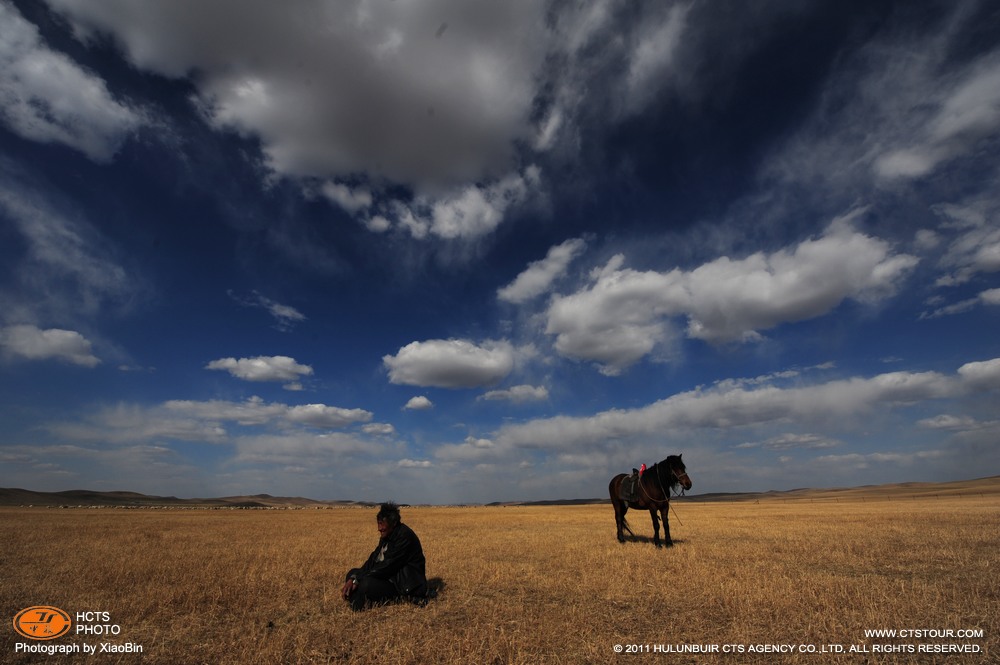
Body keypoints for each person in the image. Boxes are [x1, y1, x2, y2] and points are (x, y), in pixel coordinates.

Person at [341, 501, 428, 611]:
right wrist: (354, 578)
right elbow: (373, 560)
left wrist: (358, 580)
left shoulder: (405, 537)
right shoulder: (387, 535)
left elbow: (388, 566)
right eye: (378, 523)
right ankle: (357, 600)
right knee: (352, 572)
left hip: (402, 587)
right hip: (391, 578)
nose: (379, 528)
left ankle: (357, 603)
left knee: (366, 583)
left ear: (394, 523)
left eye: (382, 524)